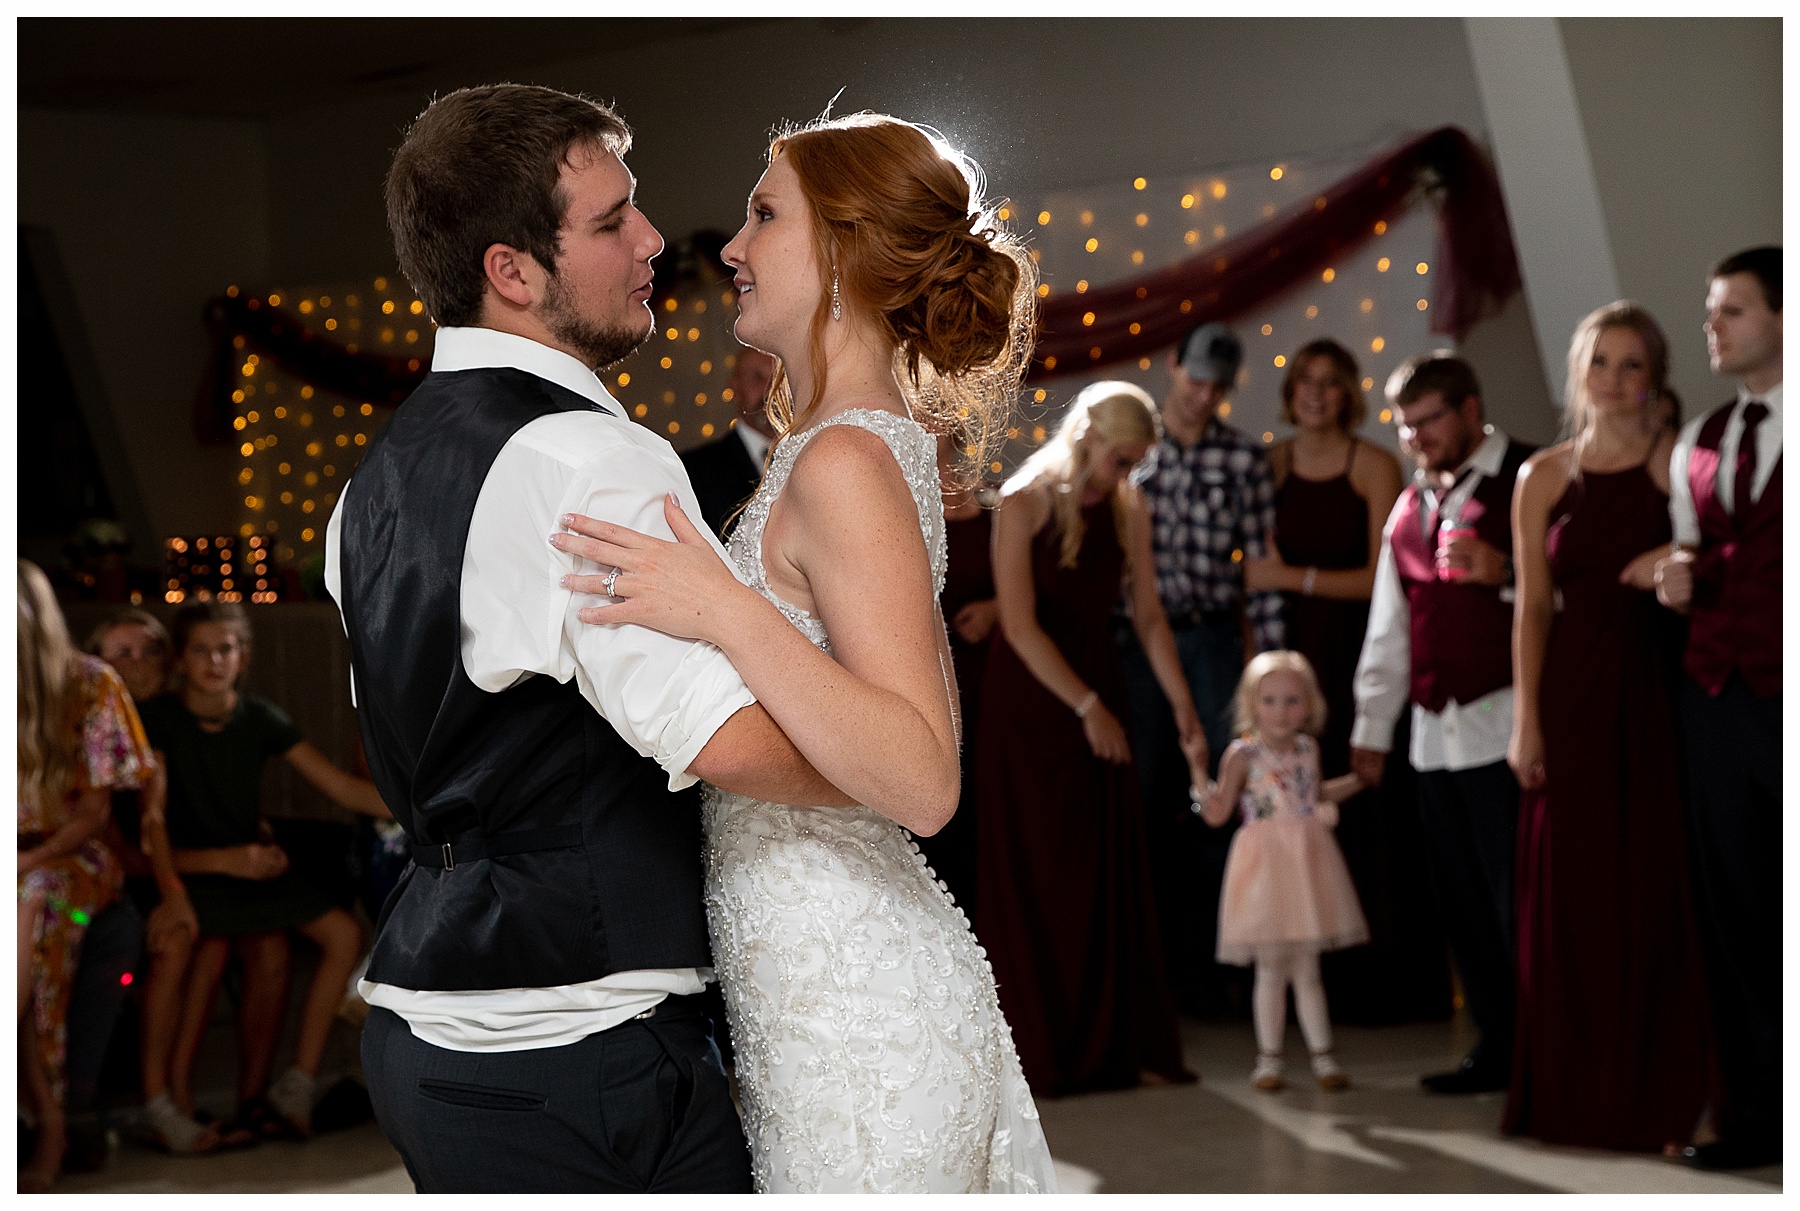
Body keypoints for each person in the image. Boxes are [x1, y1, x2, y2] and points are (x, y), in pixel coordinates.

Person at [330, 85, 877, 1195]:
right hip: (572, 1048)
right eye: (610, 221)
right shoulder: (586, 456)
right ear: (513, 271)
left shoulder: (369, 482)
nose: (652, 243)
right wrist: (892, 770)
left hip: (425, 1034)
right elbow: (721, 738)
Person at [553, 111, 1057, 1191]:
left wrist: (724, 609)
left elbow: (923, 778)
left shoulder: (843, 461)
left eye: (764, 214)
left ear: (846, 246)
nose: (732, 247)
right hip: (815, 1007)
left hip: (865, 1023)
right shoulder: (842, 444)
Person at [1505, 302, 1711, 1150]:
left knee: (1662, 886)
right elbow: (1529, 611)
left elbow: (1720, 555)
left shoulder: (1677, 462)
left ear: (1655, 376)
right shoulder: (1544, 475)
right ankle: (1578, 1094)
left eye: (1634, 365)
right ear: (1578, 372)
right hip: (1572, 697)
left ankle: (1676, 1093)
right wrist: (1526, 721)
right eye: (1603, 363)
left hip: (1661, 689)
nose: (1617, 381)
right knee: (1579, 890)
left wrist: (1676, 561)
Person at [966, 381, 1204, 1097]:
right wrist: (1088, 706)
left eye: (1134, 465)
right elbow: (1019, 624)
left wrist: (1184, 705)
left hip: (1096, 687)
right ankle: (1043, 1049)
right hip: (1034, 703)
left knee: (1096, 873)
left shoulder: (1130, 509)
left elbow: (1152, 618)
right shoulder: (1023, 500)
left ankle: (1104, 1043)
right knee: (1037, 875)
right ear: (1089, 441)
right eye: (1119, 461)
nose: (1124, 476)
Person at [1244, 340, 1446, 1025]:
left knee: (1358, 804)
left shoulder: (1374, 464)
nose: (1316, 392)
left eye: (1330, 382)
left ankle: (1381, 980)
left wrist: (1291, 579)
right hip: (1286, 662)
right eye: (1305, 379)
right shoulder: (1270, 463)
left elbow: (1382, 579)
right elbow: (1251, 572)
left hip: (1354, 653)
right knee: (1292, 812)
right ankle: (1303, 986)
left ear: (1348, 393)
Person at [1349, 352, 1534, 1094]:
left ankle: (1547, 1047)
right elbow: (1390, 626)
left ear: (1469, 408)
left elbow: (1568, 599)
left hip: (1510, 725)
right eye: (1406, 424)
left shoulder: (1529, 475)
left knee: (1518, 898)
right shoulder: (1407, 509)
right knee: (1463, 905)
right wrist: (1371, 727)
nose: (1418, 437)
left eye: (1429, 420)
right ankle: (1498, 1045)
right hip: (1432, 738)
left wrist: (1506, 574)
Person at [139, 602, 388, 1142]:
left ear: (243, 657)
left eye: (225, 649)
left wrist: (421, 812)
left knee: (344, 935)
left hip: (250, 871)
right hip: (193, 870)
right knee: (206, 948)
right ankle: (165, 1101)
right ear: (180, 659)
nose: (213, 661)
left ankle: (293, 1086)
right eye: (200, 650)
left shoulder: (259, 717)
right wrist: (190, 882)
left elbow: (339, 787)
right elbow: (152, 819)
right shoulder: (159, 720)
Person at [1655, 246, 1783, 1171]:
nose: (1713, 326)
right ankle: (1757, 1113)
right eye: (1711, 311)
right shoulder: (1696, 436)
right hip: (1715, 694)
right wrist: (1675, 579)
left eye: (1731, 310)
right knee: (1736, 909)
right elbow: (1691, 554)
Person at [1122, 320, 1285, 1018]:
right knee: (1150, 793)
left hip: (1216, 640)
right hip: (1139, 644)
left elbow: (1265, 574)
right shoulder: (1131, 454)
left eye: (1217, 386)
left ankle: (1228, 968)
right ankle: (1163, 973)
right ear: (1173, 367)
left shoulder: (1246, 461)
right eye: (1196, 379)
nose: (1204, 394)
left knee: (1224, 798)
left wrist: (1274, 667)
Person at [17, 560, 156, 1190]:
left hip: (69, 855)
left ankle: (50, 1120)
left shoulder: (91, 684)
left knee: (33, 903)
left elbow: (97, 814)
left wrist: (22, 860)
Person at [1191, 651, 1368, 1093]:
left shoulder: (1309, 749)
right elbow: (1217, 812)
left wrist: (1358, 780)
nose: (1281, 711)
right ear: (1252, 705)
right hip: (1266, 870)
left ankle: (1323, 1056)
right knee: (1270, 967)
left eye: (1292, 700)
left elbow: (1314, 791)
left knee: (1307, 968)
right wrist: (1197, 769)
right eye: (1270, 700)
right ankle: (1268, 1060)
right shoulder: (1243, 754)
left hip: (1307, 864)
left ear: (1309, 705)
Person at [77, 610, 213, 1158]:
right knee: (173, 937)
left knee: (222, 938)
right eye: (121, 654)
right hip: (111, 876)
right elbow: (125, 841)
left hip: (172, 868)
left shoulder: (173, 717)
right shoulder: (93, 717)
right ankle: (153, 1101)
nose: (138, 664)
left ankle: (178, 1092)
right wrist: (174, 891)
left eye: (150, 650)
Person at [919, 431, 998, 914]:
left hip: (990, 680)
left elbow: (1028, 588)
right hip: (932, 679)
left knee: (991, 814)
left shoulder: (990, 502)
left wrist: (996, 609)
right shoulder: (897, 499)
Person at [680, 347, 777, 538]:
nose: (769, 390)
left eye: (778, 380)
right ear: (735, 387)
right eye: (757, 378)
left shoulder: (811, 456)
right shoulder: (695, 469)